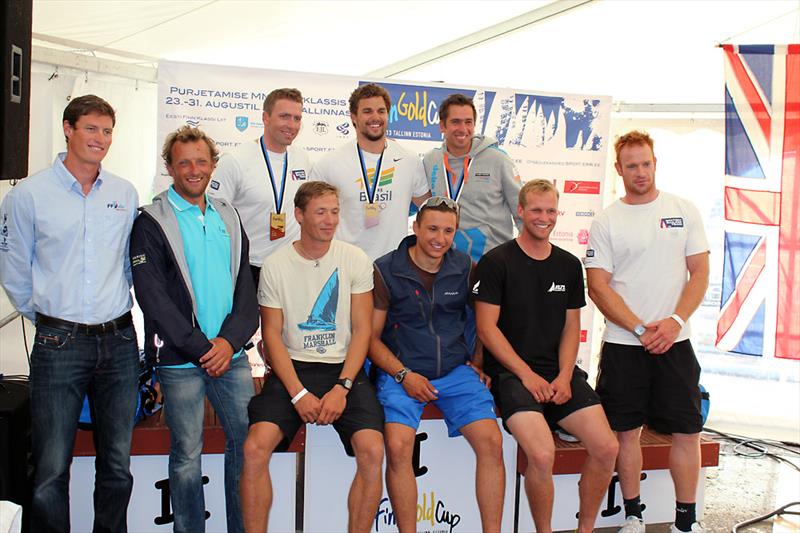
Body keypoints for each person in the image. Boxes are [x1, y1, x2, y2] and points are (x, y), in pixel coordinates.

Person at [0, 94, 139, 532]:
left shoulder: (124, 192)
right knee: (51, 469)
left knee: (117, 467)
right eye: (92, 128)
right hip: (59, 342)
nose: (101, 139)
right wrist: (50, 319)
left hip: (118, 341)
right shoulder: (29, 195)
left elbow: (128, 264)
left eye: (108, 131)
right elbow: (15, 271)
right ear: (68, 129)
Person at [130, 126, 258, 532]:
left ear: (213, 165)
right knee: (186, 455)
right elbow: (152, 297)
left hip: (232, 357)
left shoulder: (229, 214)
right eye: (183, 162)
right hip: (180, 360)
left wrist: (229, 342)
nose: (193, 169)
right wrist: (203, 348)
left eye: (201, 161)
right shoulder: (150, 221)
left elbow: (246, 289)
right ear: (169, 167)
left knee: (246, 446)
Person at [473, 179, 618, 533]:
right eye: (536, 210)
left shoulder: (569, 265)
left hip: (558, 374)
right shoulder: (496, 262)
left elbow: (572, 327)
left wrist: (566, 375)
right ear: (520, 211)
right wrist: (526, 375)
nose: (544, 217)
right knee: (541, 455)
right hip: (512, 376)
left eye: (551, 210)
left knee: (607, 447)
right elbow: (487, 329)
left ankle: (585, 529)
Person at [240, 181, 385, 532]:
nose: (330, 220)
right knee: (255, 449)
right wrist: (298, 393)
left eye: (335, 211)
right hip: (294, 369)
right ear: (300, 215)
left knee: (373, 451)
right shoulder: (275, 265)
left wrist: (343, 387)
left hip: (344, 369)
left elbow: (363, 331)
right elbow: (271, 334)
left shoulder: (354, 259)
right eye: (321, 212)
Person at [585, 131, 709, 533]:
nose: (640, 172)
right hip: (624, 345)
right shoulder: (607, 219)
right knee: (626, 435)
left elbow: (700, 272)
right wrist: (640, 329)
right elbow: (598, 286)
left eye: (646, 163)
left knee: (687, 433)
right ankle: (634, 515)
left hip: (677, 342)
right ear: (618, 169)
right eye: (632, 165)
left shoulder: (683, 209)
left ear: (655, 163)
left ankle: (685, 523)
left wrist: (673, 322)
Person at [370, 196, 505, 532]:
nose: (439, 238)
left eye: (448, 231)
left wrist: (476, 361)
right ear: (415, 227)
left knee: (492, 442)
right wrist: (403, 374)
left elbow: (478, 319)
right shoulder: (385, 269)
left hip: (455, 372)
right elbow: (369, 339)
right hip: (402, 372)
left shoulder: (465, 267)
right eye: (431, 228)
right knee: (399, 446)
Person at [310, 83, 430, 260]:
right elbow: (309, 214)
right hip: (345, 263)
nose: (375, 117)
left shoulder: (409, 160)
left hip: (393, 266)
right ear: (353, 117)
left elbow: (427, 208)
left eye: (381, 111)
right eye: (367, 111)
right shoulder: (330, 163)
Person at [209, 88, 313, 286]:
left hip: (290, 264)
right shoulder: (236, 160)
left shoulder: (302, 158)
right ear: (265, 117)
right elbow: (214, 217)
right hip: (249, 267)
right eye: (284, 116)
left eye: (297, 118)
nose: (292, 125)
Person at [422, 93, 521, 263]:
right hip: (445, 264)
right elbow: (418, 202)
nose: (463, 129)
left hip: (491, 263)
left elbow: (522, 212)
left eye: (468, 122)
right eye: (455, 122)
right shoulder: (431, 160)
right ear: (442, 126)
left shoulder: (498, 160)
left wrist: (525, 261)